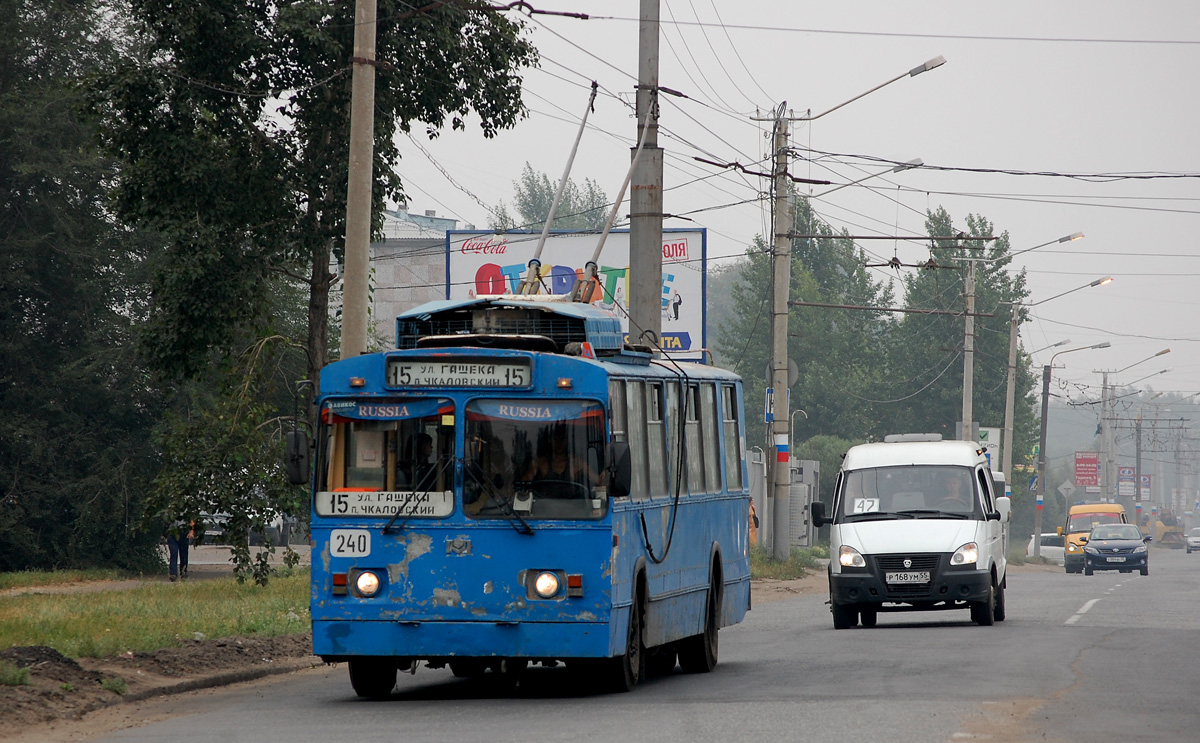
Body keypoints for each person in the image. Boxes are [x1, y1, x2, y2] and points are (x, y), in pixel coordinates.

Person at [523, 424, 596, 498]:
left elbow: (598, 480)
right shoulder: (539, 462)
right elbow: (524, 483)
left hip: (573, 507)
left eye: (562, 439)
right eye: (556, 439)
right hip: (544, 506)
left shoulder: (577, 463)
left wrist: (605, 473)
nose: (559, 443)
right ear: (550, 440)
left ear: (567, 441)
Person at [165, 515, 193, 582]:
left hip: (183, 533)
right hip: (172, 533)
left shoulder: (186, 509)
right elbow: (165, 521)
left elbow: (192, 519)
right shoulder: (170, 510)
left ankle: (183, 572)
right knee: (174, 553)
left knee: (183, 554)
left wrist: (191, 531)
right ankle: (173, 573)